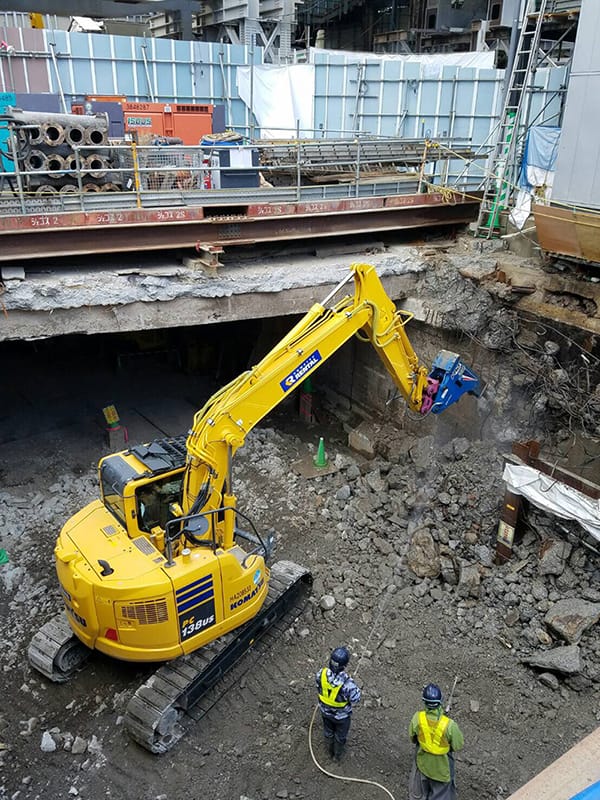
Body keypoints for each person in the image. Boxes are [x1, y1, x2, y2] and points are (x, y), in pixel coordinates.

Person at [409, 683, 464, 800]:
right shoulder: (449, 725)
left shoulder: (417, 718)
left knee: (419, 793)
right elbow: (458, 745)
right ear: (440, 701)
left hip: (422, 763)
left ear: (424, 701)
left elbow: (412, 737)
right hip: (442, 770)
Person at [315, 646, 361, 762]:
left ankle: (328, 750)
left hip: (325, 712)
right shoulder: (347, 684)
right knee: (340, 737)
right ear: (344, 666)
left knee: (328, 732)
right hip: (341, 717)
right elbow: (356, 699)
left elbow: (318, 686)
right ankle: (336, 756)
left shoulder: (321, 674)